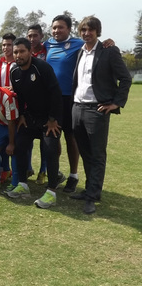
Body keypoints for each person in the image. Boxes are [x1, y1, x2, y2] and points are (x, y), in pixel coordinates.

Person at [45, 15, 113, 192]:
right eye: (54, 28)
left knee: (71, 137)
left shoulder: (78, 43)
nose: (56, 31)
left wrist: (108, 42)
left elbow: (96, 46)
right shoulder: (47, 44)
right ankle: (55, 173)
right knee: (53, 137)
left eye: (60, 27)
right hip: (52, 99)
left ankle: (73, 175)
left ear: (68, 29)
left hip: (71, 99)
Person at [70, 16, 132, 214]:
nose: (86, 33)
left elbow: (125, 78)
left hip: (97, 109)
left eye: (91, 30)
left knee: (97, 155)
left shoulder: (108, 51)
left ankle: (92, 196)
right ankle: (89, 189)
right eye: (83, 30)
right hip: (77, 108)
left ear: (98, 32)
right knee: (85, 153)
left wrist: (115, 103)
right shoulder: (80, 51)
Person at [7, 38, 62, 209]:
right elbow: (20, 96)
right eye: (16, 52)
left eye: (22, 51)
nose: (18, 55)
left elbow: (56, 94)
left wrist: (52, 120)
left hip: (49, 118)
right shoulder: (14, 71)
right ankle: (23, 185)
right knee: (20, 145)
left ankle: (51, 192)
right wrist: (22, 115)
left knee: (50, 149)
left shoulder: (42, 67)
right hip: (30, 117)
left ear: (30, 51)